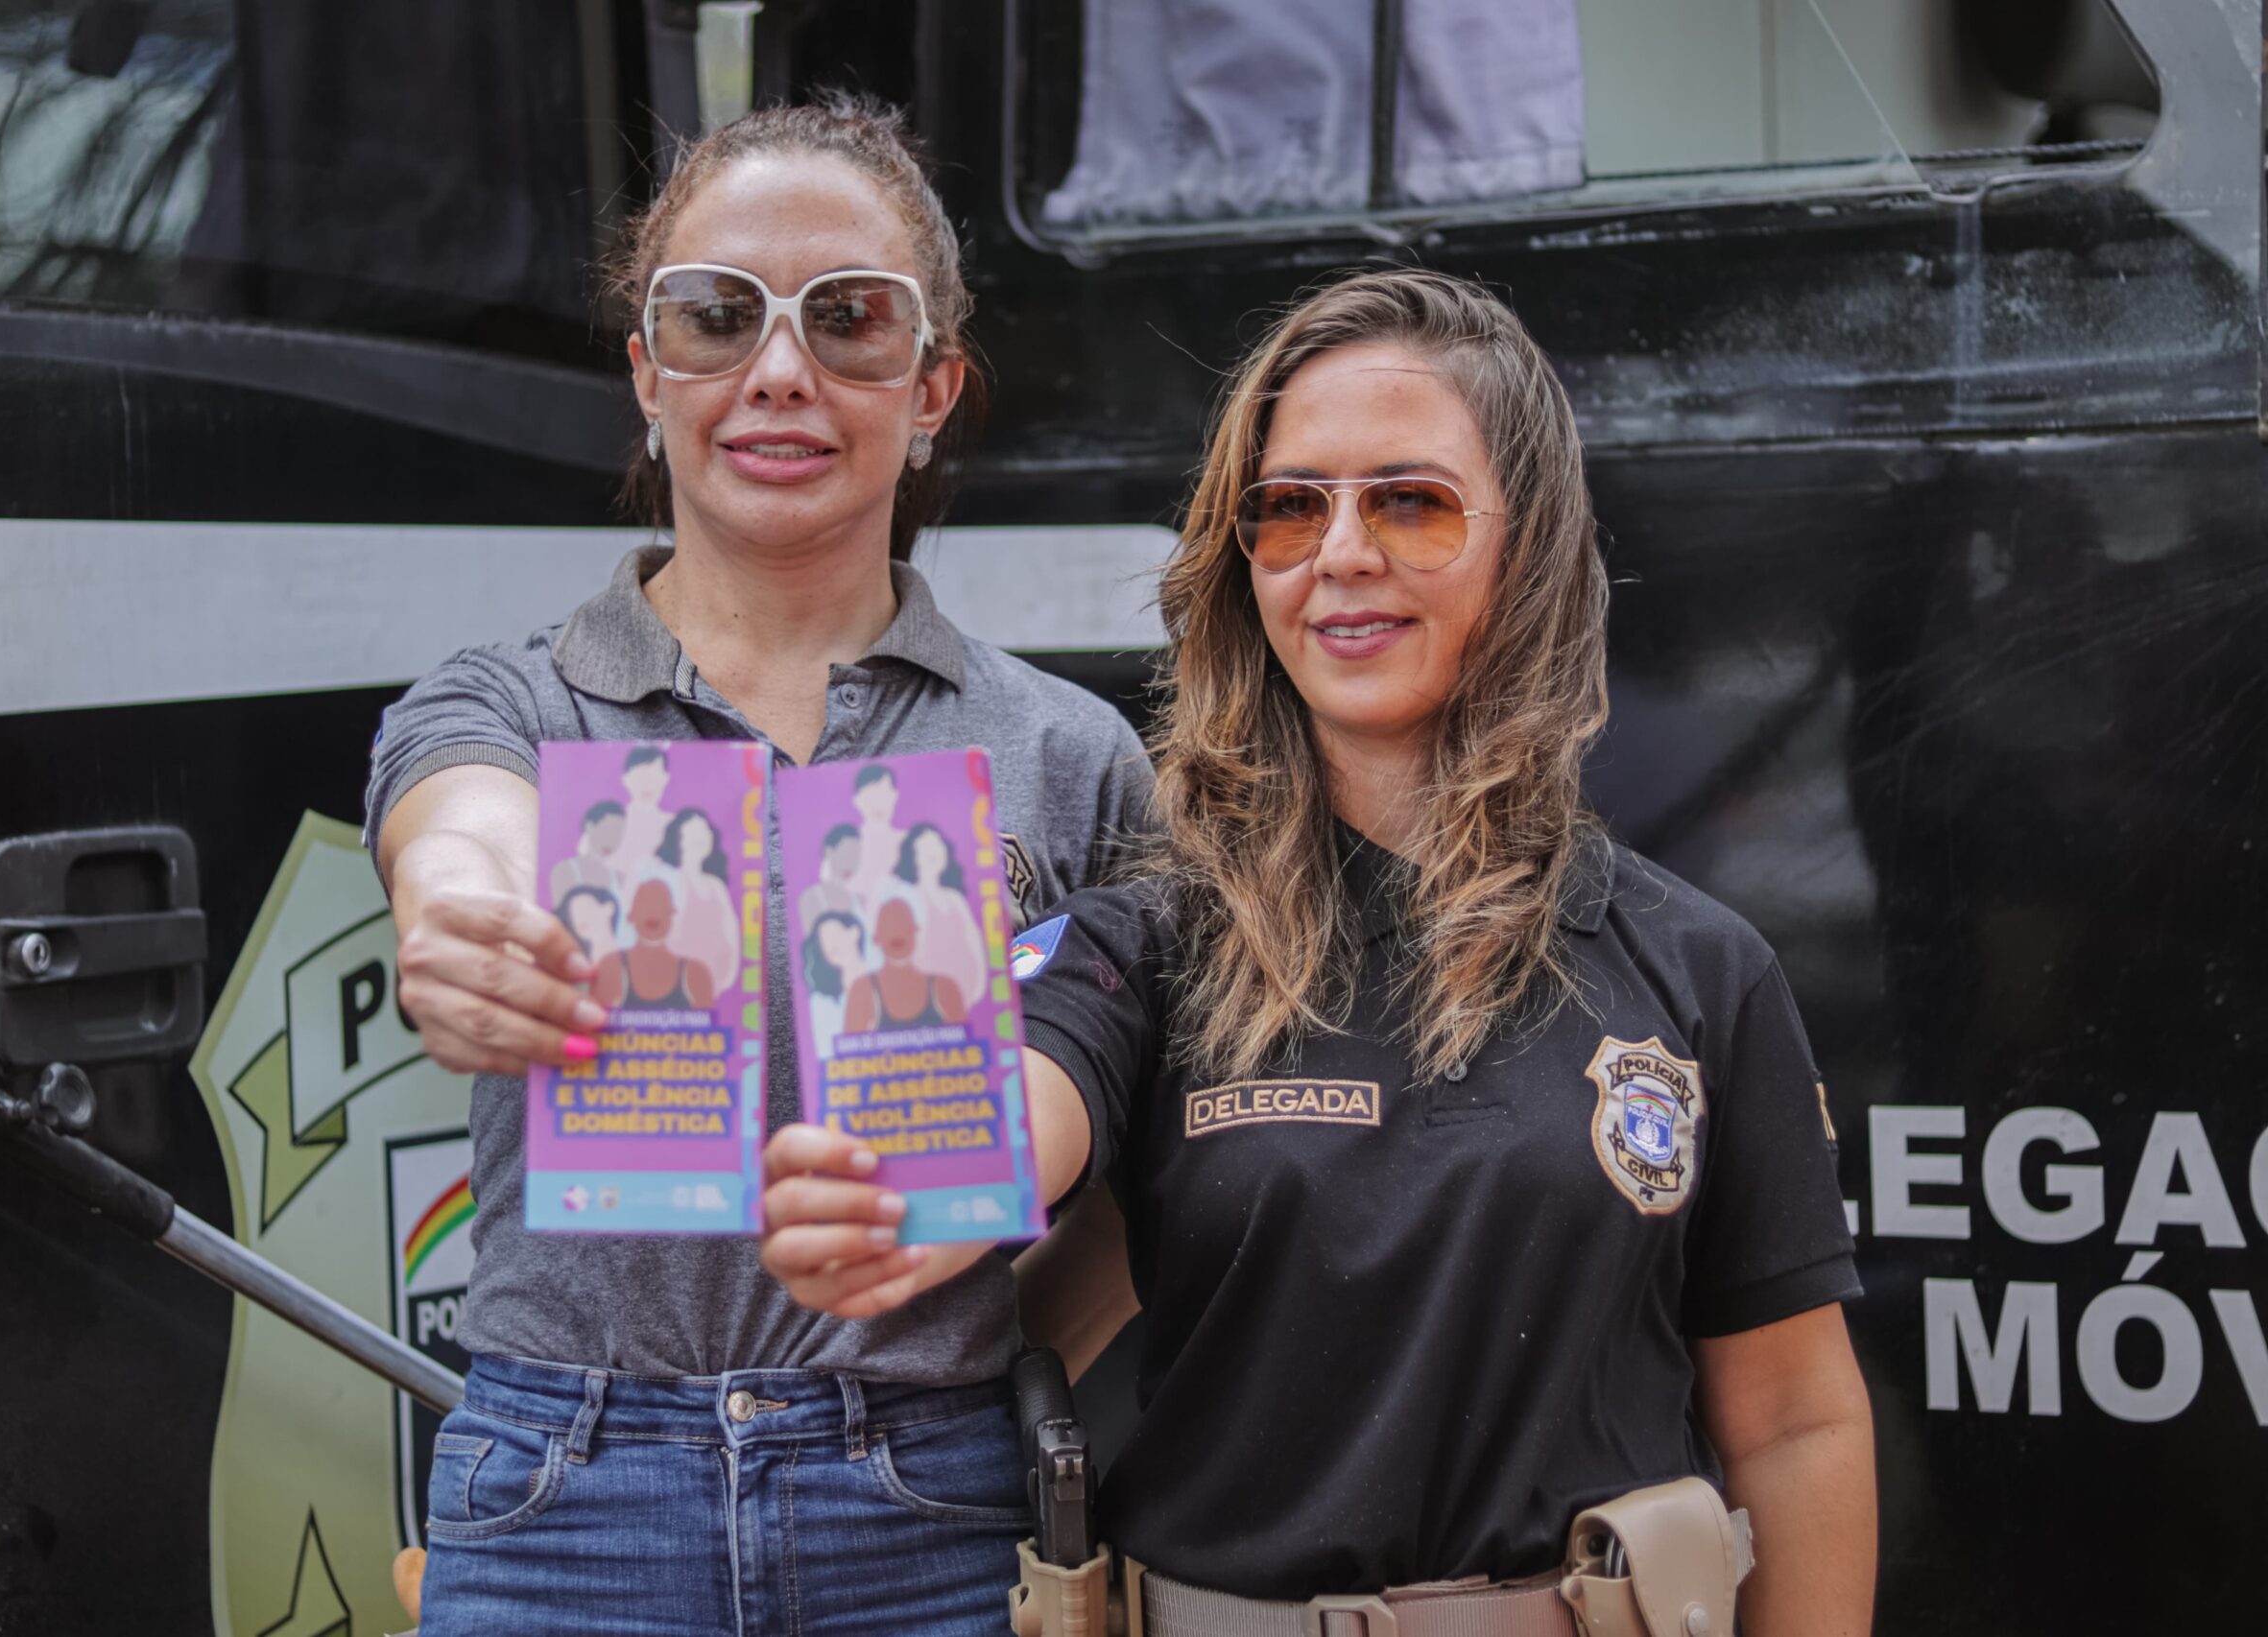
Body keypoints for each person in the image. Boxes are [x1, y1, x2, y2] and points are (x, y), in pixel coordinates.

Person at [759, 271, 1875, 1636]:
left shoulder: (1700, 969)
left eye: (1411, 501)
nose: (1340, 552)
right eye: (1290, 508)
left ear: (1523, 544)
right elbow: (1013, 1107)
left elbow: (1799, 1424)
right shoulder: (1150, 939)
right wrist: (902, 1180)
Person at [364, 95, 1156, 1637]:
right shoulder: (512, 699)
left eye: (850, 321)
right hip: (558, 1506)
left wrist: (989, 1348)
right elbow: (463, 826)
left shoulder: (1071, 756)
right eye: (718, 316)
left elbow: (1157, 1167)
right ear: (647, 370)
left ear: (933, 387)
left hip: (936, 1510)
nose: (780, 371)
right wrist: (463, 920)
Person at [844, 889, 967, 1033]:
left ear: (915, 933)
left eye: (903, 925)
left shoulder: (945, 989)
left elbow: (968, 1045)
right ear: (876, 938)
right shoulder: (862, 990)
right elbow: (850, 1052)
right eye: (889, 927)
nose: (897, 931)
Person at [599, 868, 717, 1010]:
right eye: (645, 905)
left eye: (660, 905)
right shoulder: (611, 968)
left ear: (671, 916)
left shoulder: (695, 974)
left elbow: (709, 1028)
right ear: (631, 917)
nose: (653, 911)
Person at [894, 820, 986, 1003]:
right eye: (925, 846)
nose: (933, 852)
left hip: (965, 996)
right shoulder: (907, 898)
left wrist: (979, 987)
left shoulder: (955, 898)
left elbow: (975, 945)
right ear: (913, 855)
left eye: (937, 845)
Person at [657, 805, 740, 994]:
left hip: (715, 983)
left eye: (705, 831)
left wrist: (729, 976)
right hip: (679, 986)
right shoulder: (671, 880)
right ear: (678, 838)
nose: (701, 837)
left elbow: (731, 931)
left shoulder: (716, 885)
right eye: (693, 831)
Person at [801, 909, 871, 1055]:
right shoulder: (823, 1004)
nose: (830, 945)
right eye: (823, 941)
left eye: (833, 935)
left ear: (854, 932)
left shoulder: (882, 982)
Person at [609, 747, 672, 874]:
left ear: (665, 778)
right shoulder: (608, 826)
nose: (647, 785)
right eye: (640, 777)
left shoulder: (676, 826)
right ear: (626, 779)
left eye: (653, 777)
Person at [550, 801, 627, 901]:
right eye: (607, 830)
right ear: (589, 826)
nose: (611, 840)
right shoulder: (564, 871)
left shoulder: (619, 878)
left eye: (618, 834)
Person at [796, 821, 863, 933]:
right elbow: (813, 946)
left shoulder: (861, 901)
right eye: (846, 854)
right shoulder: (811, 898)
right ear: (829, 852)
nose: (851, 863)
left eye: (856, 856)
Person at [849, 762, 906, 886]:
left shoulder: (908, 843)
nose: (878, 803)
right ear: (857, 800)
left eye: (883, 794)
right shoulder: (845, 849)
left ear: (894, 795)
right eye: (870, 796)